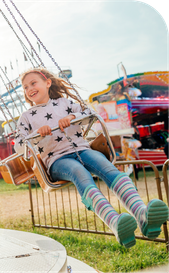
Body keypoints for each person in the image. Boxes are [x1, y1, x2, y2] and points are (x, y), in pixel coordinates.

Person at [13, 67, 169, 248]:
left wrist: (72, 117)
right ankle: (115, 223)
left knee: (110, 170)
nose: (29, 88)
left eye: (33, 83)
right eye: (25, 87)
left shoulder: (64, 103)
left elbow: (89, 113)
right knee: (80, 173)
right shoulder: (26, 117)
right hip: (57, 160)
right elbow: (18, 145)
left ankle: (143, 216)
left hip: (83, 149)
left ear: (47, 83)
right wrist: (37, 135)